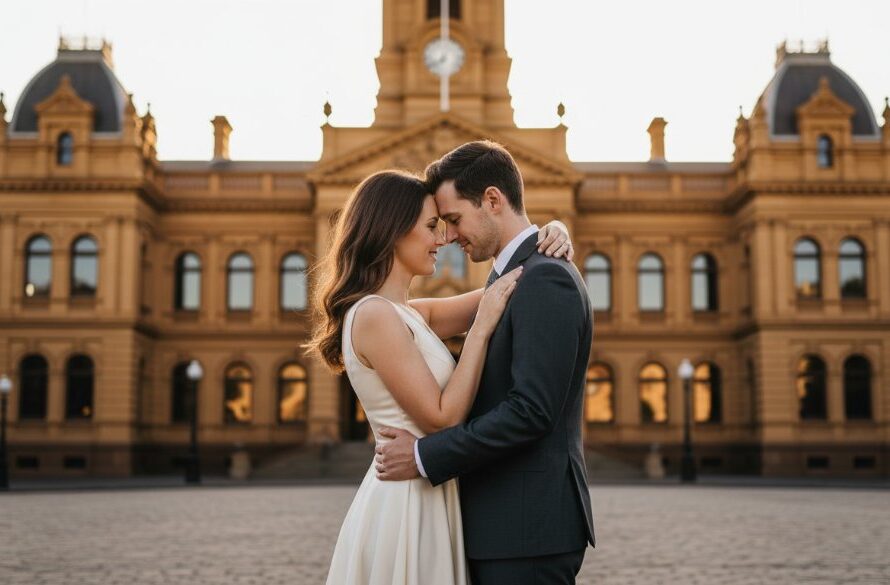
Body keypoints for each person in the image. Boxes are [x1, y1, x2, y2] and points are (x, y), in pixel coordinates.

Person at [309, 167, 574, 585]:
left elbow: (514, 281)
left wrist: (550, 233)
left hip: (431, 488)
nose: (444, 239)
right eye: (432, 226)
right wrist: (480, 330)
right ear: (393, 231)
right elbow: (441, 418)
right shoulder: (375, 316)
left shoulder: (410, 314)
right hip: (406, 500)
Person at [376, 141, 596, 585]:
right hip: (503, 525)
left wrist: (422, 456)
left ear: (493, 200)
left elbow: (530, 411)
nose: (449, 237)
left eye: (454, 219)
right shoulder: (514, 276)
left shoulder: (544, 277)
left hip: (526, 529)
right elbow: (407, 319)